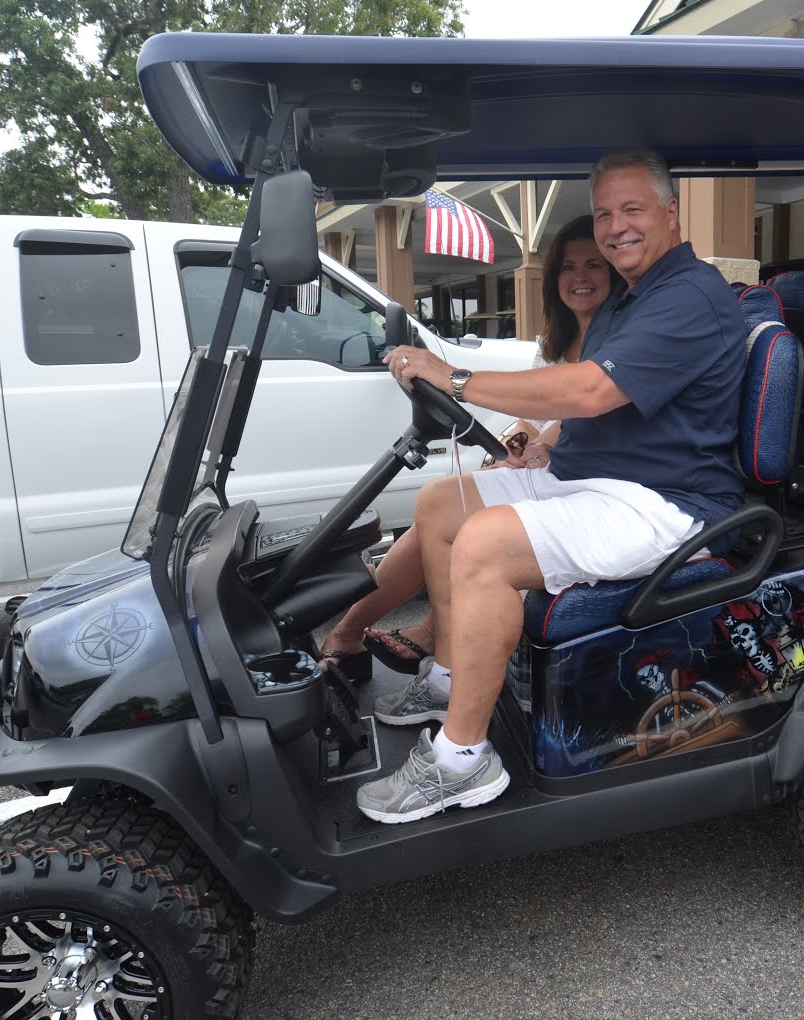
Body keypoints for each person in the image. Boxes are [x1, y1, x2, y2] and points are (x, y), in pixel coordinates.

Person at [357, 148, 746, 824]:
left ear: (671, 212)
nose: (616, 227)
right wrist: (537, 443)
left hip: (661, 502)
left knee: (483, 545)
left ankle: (461, 762)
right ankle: (449, 681)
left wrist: (453, 377)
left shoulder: (690, 294)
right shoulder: (634, 296)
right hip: (592, 479)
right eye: (604, 215)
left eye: (633, 209)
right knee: (441, 506)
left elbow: (592, 390)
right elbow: (586, 394)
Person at [314, 215, 615, 676]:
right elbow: (532, 420)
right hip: (547, 473)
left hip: (586, 483)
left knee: (453, 519)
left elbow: (581, 409)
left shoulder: (619, 341)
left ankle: (421, 647)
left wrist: (537, 445)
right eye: (568, 267)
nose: (580, 278)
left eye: (593, 266)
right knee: (438, 511)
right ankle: (372, 631)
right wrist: (511, 449)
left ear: (612, 272)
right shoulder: (555, 340)